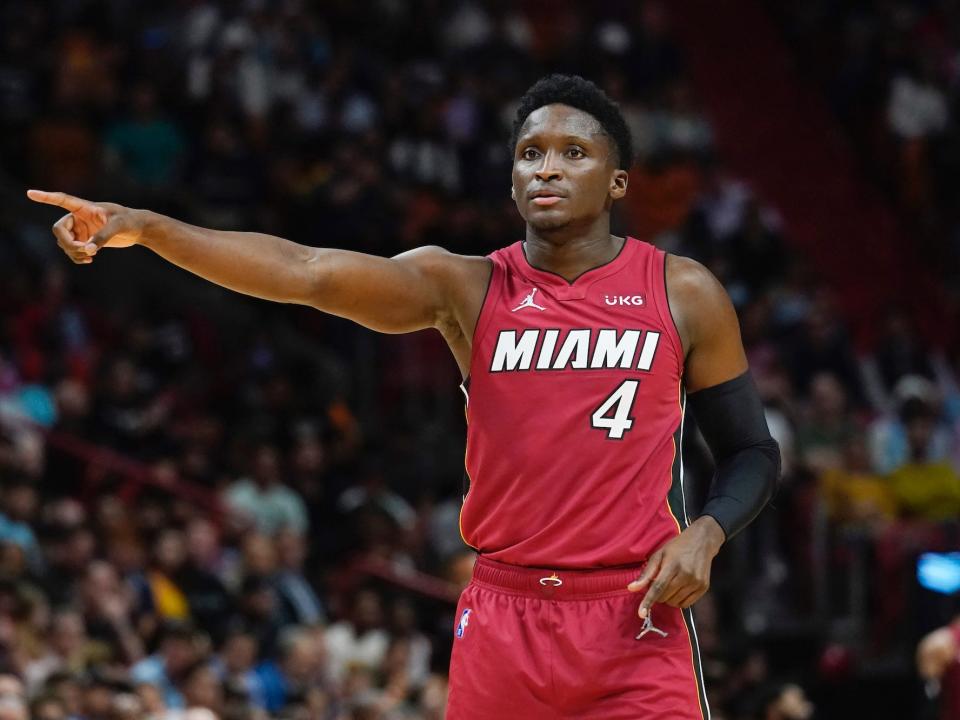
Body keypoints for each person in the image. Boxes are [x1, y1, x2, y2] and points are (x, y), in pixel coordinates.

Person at [28, 74, 780, 719]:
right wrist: (149, 228)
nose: (546, 169)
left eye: (573, 154)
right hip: (505, 616)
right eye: (530, 154)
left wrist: (706, 532)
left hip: (633, 615)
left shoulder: (681, 291)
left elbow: (750, 449)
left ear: (617, 181)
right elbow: (308, 270)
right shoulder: (467, 285)